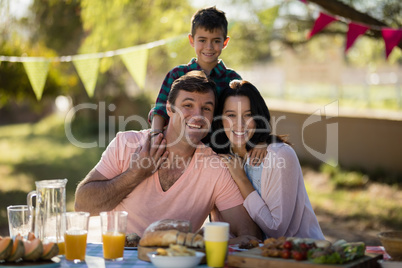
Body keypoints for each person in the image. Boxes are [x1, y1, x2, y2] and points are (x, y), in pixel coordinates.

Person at [74, 71, 262, 243]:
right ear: (169, 109)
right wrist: (135, 174)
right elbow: (82, 205)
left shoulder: (215, 168)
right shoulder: (127, 144)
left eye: (206, 108)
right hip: (120, 260)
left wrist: (203, 244)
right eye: (187, 105)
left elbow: (249, 234)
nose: (198, 115)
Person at [210, 80, 325, 240]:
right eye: (231, 115)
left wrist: (242, 179)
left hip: (301, 255)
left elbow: (276, 229)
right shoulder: (221, 159)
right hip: (248, 256)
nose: (240, 124)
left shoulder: (279, 155)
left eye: (248, 115)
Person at [150, 6, 266, 165]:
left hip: (218, 153)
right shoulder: (177, 74)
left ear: (225, 42)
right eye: (202, 40)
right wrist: (155, 135)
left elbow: (247, 114)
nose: (209, 47)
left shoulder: (232, 79)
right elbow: (161, 109)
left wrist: (261, 141)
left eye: (216, 41)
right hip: (179, 149)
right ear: (192, 40)